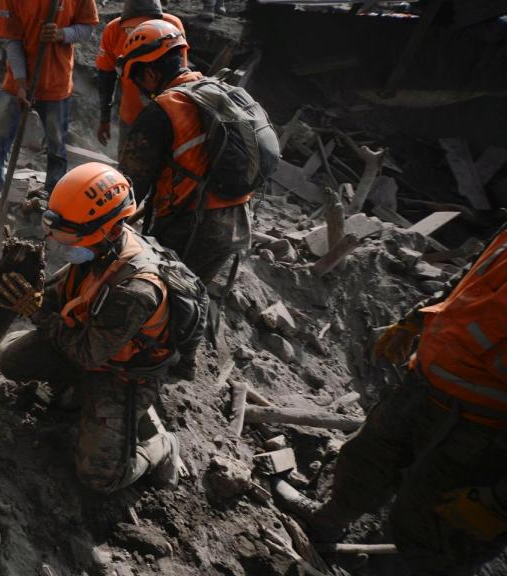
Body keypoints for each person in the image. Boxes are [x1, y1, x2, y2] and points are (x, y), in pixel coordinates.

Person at [298, 224, 507, 576]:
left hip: (481, 429)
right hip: (426, 381)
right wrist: (415, 320)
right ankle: (329, 522)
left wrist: (499, 502)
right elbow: (471, 277)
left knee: (432, 529)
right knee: (367, 457)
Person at [0, 162, 202, 494]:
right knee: (9, 358)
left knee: (98, 477)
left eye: (72, 237)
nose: (62, 244)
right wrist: (31, 290)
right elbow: (61, 299)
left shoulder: (134, 291)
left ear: (111, 229)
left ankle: (160, 444)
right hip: (89, 343)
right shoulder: (99, 247)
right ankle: (76, 394)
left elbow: (87, 354)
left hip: (123, 372)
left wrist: (37, 313)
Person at [116, 18, 252, 287]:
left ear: (150, 74)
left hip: (193, 226)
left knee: (160, 299)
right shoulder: (214, 91)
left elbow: (129, 187)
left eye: (138, 78)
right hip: (236, 222)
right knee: (190, 298)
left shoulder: (162, 110)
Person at [0, 0, 99, 209]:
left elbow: (87, 29)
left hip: (56, 83)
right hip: (17, 83)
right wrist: (21, 82)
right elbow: (12, 40)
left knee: (56, 148)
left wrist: (63, 34)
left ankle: (53, 201)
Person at [94, 0, 183, 159]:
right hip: (131, 117)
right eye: (132, 28)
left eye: (145, 25)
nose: (137, 31)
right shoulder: (114, 31)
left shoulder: (172, 28)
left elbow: (179, 78)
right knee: (128, 168)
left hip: (169, 118)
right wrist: (104, 118)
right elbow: (106, 78)